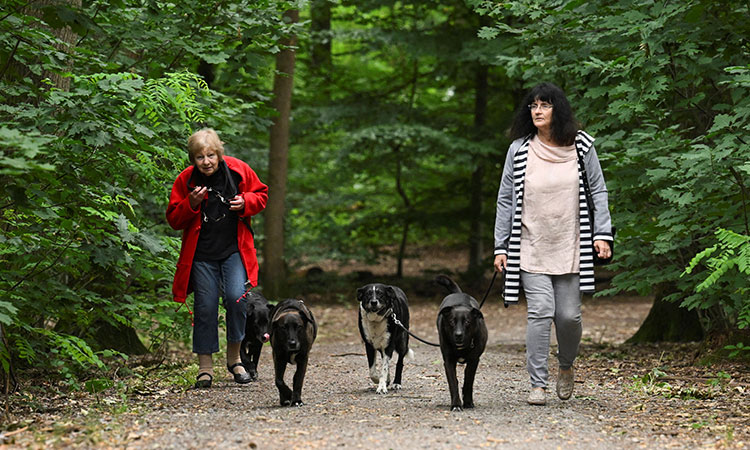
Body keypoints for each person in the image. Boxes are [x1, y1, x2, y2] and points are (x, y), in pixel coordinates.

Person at [493, 83, 613, 405]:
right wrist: (501, 246)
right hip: (530, 245)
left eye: (544, 105)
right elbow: (505, 200)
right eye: (533, 106)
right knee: (540, 312)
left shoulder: (582, 146)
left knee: (570, 317)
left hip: (571, 245)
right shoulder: (519, 149)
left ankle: (566, 364)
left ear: (557, 110)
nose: (537, 111)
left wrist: (602, 233)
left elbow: (599, 191)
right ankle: (538, 384)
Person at [167, 128, 268, 388]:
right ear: (193, 159)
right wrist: (190, 202)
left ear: (219, 154)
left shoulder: (238, 170)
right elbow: (174, 220)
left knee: (237, 299)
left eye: (211, 155)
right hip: (201, 255)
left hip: (234, 251)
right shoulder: (185, 180)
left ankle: (235, 359)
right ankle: (205, 368)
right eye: (200, 157)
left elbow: (261, 195)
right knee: (206, 308)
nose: (207, 162)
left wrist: (246, 202)